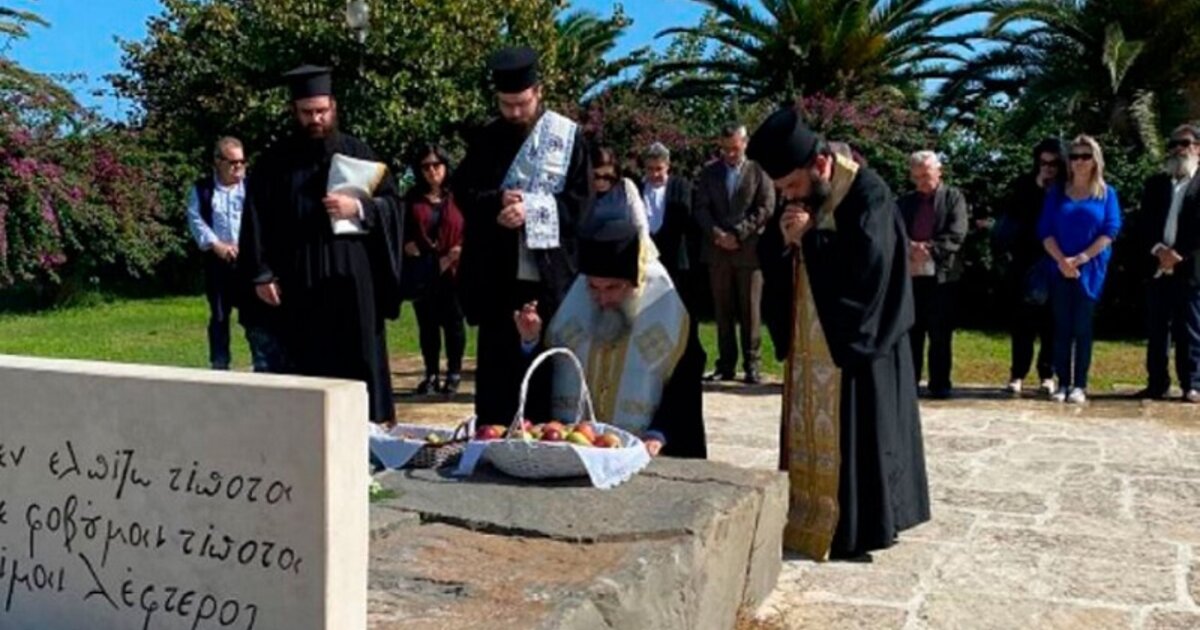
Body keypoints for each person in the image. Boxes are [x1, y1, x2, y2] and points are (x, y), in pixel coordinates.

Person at [748, 107, 929, 561]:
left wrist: (809, 240)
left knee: (859, 440)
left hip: (855, 347)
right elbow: (773, 250)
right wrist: (784, 241)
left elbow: (868, 270)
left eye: (791, 185)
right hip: (810, 342)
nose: (788, 196)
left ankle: (855, 528)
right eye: (782, 189)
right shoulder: (802, 195)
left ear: (820, 164)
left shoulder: (869, 194)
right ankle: (805, 513)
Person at [239, 65, 405, 424]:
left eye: (321, 111)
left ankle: (369, 434)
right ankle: (310, 436)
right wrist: (262, 273)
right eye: (307, 112)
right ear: (294, 111)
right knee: (308, 365)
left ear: (333, 106)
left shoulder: (359, 152)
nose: (315, 119)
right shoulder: (274, 163)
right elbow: (254, 220)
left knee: (360, 360)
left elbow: (394, 206)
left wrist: (359, 208)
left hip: (354, 282)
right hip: (299, 282)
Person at [453, 46, 589, 424]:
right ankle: (492, 437)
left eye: (522, 104)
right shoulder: (486, 139)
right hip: (498, 279)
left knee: (545, 372)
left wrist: (532, 209)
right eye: (506, 104)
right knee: (497, 374)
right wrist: (496, 202)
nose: (514, 113)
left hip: (546, 278)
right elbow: (464, 191)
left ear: (538, 92)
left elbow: (581, 205)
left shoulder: (567, 138)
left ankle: (545, 438)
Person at [513, 200, 707, 458]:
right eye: (594, 287)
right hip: (573, 448)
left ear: (635, 283)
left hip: (639, 451)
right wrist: (530, 341)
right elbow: (547, 371)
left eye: (613, 288)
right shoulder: (571, 303)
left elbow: (685, 384)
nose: (602, 299)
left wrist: (659, 432)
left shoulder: (667, 308)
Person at [186, 137, 285, 372]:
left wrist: (251, 248)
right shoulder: (203, 189)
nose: (238, 167)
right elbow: (195, 219)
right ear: (218, 161)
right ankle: (219, 363)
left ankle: (263, 363)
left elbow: (265, 221)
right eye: (233, 162)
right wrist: (216, 245)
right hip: (218, 262)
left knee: (256, 315)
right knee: (220, 315)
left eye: (242, 162)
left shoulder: (252, 188)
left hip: (249, 262)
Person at [1038, 134, 1122, 404]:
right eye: (1074, 156)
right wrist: (1062, 261)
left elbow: (1110, 230)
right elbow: (1045, 231)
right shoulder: (1057, 193)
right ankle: (1062, 382)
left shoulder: (1107, 194)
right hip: (1059, 267)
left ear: (1095, 160)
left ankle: (1080, 384)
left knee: (1082, 328)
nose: (1080, 162)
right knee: (1061, 327)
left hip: (1091, 269)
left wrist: (1082, 258)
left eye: (1086, 156)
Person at [694, 123, 776, 384]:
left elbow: (766, 207)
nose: (730, 154)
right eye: (725, 148)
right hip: (717, 252)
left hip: (748, 252)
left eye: (735, 148)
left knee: (750, 310)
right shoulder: (710, 173)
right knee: (723, 311)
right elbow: (700, 208)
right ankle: (725, 364)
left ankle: (752, 365)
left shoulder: (759, 171)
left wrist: (738, 233)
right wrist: (718, 234)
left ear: (745, 143)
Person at [994, 138, 1065, 396]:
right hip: (1025, 262)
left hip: (1056, 261)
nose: (1048, 168)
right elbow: (1013, 218)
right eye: (1043, 163)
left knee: (1051, 323)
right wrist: (1038, 189)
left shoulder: (1066, 189)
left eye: (1053, 164)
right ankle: (1018, 374)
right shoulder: (1024, 185)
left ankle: (1047, 374)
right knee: (1022, 322)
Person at [896, 151, 968, 399]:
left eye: (926, 176)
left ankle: (940, 384)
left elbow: (957, 233)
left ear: (939, 172)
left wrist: (927, 249)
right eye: (916, 177)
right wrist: (910, 248)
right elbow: (895, 231)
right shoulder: (905, 202)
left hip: (942, 276)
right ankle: (910, 382)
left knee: (940, 333)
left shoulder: (953, 198)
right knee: (912, 332)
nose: (922, 182)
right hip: (912, 275)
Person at [1137, 124, 1200, 403]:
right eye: (1173, 144)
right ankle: (1157, 383)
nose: (1177, 149)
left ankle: (1192, 384)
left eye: (1184, 143)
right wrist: (1159, 249)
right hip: (1158, 266)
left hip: (1190, 268)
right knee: (1157, 329)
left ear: (1198, 148)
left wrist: (1179, 253)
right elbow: (1145, 222)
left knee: (1190, 329)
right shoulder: (1156, 183)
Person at [404, 143, 466, 396]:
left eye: (436, 165)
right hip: (424, 269)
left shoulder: (459, 195)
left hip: (454, 270)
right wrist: (407, 244)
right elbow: (402, 229)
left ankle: (454, 373)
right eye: (426, 166)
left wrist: (459, 250)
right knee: (427, 325)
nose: (432, 171)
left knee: (453, 323)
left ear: (445, 166)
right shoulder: (412, 198)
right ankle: (431, 373)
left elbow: (472, 226)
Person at [640, 142, 695, 307]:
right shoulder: (638, 187)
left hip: (674, 255)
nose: (655, 174)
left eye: (659, 168)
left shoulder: (681, 186)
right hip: (646, 257)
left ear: (667, 166)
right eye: (650, 169)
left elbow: (686, 218)